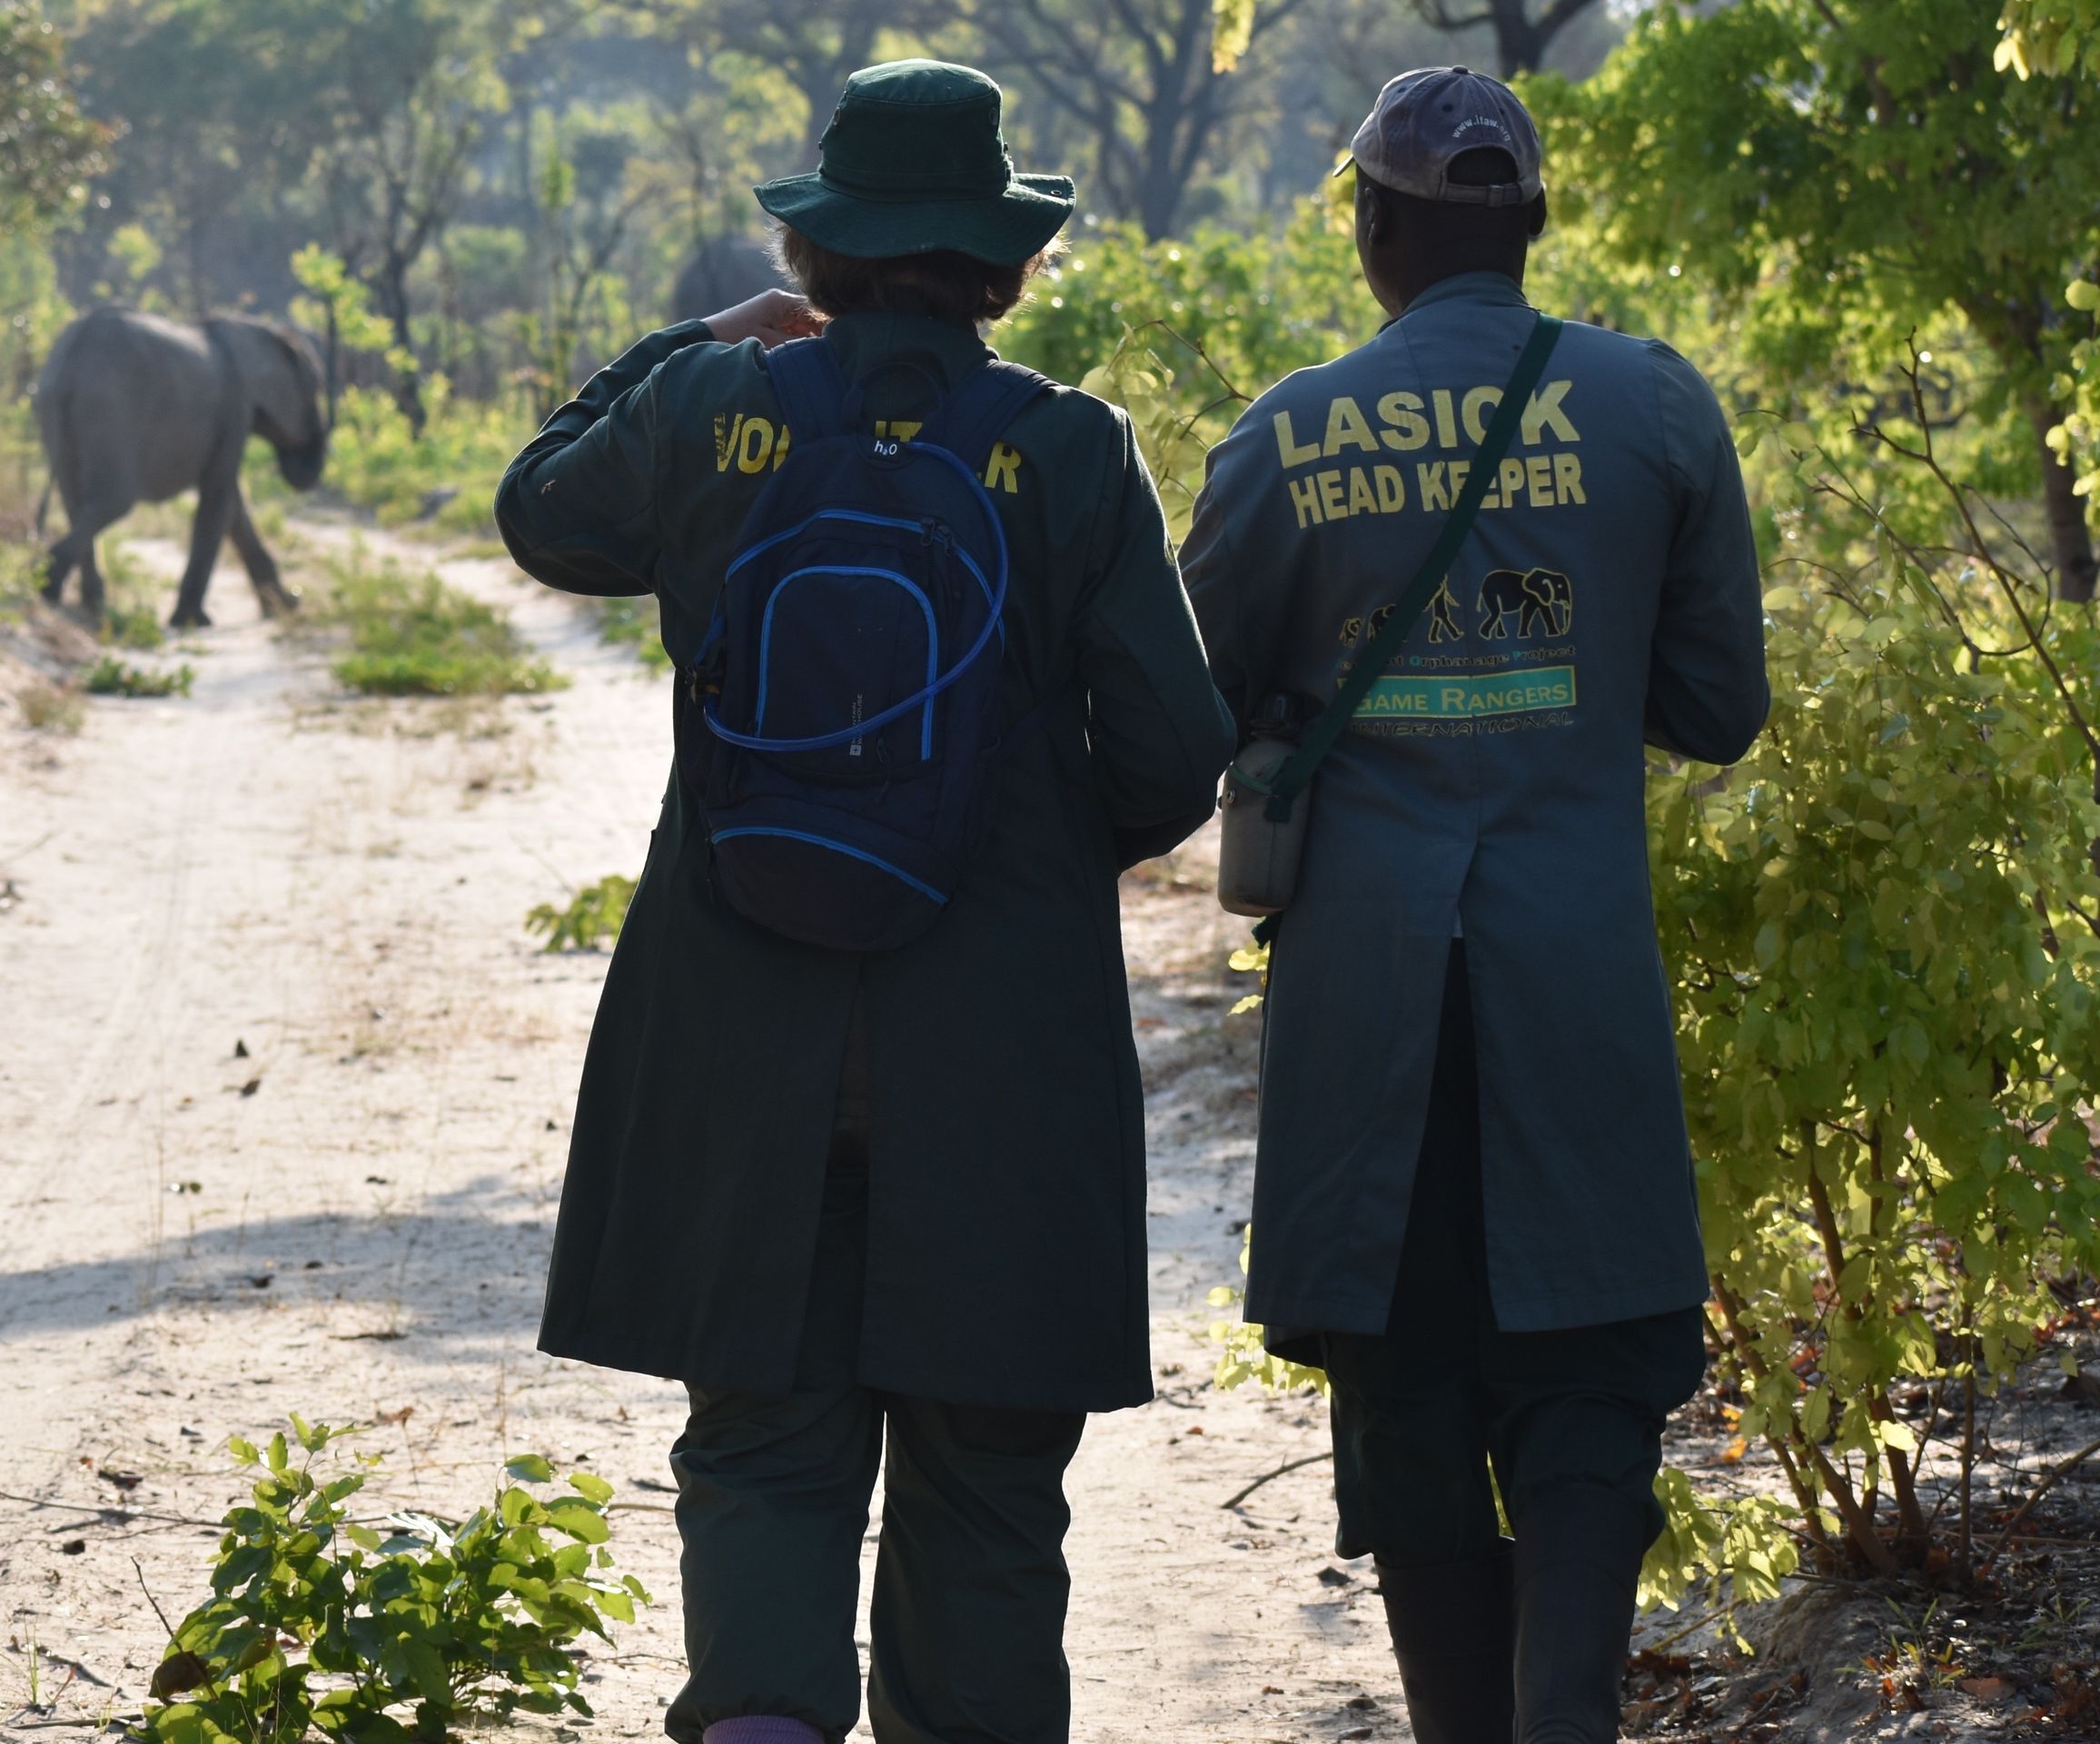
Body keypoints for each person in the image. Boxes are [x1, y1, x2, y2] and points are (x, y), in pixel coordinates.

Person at [493, 60, 1235, 1744]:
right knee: (988, 1479)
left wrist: (698, 342)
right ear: (1004, 260)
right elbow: (1175, 757)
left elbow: (540, 508)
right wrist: (1019, 853)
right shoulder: (1071, 448)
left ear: (815, 250)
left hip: (738, 1030)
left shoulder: (712, 412)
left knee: (761, 1447)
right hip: (1003, 1048)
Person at [1176, 68, 1770, 1744]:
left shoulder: (1288, 435)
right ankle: (1567, 1712)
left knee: (1412, 1392)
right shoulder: (1653, 407)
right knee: (1588, 1378)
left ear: (1371, 228)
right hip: (1575, 988)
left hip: (1371, 1017)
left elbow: (1176, 712)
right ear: (1535, 225)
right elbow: (1719, 708)